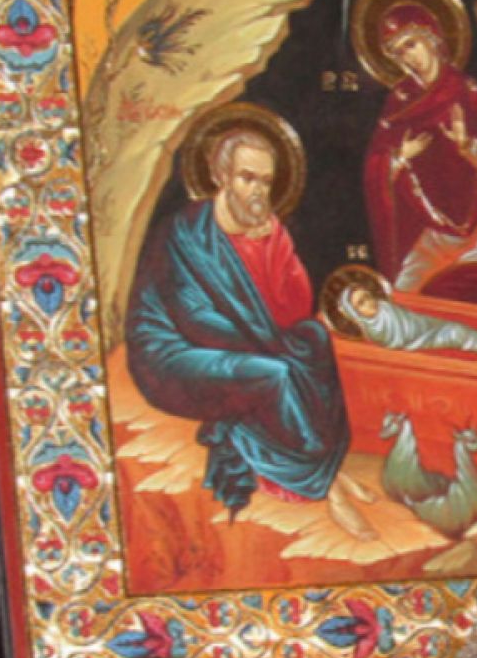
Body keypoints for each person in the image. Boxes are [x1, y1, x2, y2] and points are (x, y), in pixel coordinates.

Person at [125, 115, 349, 514]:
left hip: (243, 342)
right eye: (247, 178)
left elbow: (294, 310)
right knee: (273, 374)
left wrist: (273, 250)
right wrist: (271, 344)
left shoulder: (265, 231)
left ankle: (320, 465)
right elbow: (196, 320)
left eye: (265, 181)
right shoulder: (185, 234)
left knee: (315, 339)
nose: (257, 191)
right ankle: (310, 475)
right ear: (220, 176)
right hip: (173, 354)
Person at [361, 0, 477, 309]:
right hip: (429, 229)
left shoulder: (466, 91)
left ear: (431, 39)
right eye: (398, 53)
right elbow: (375, 166)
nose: (408, 58)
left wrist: (470, 146)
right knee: (401, 301)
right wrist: (398, 158)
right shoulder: (397, 103)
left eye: (411, 45)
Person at [337, 279, 477, 355]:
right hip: (421, 339)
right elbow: (402, 338)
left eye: (367, 297)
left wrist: (422, 323)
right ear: (355, 312)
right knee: (456, 332)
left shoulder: (386, 308)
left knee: (455, 327)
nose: (370, 303)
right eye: (361, 303)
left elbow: (411, 319)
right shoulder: (372, 330)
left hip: (425, 326)